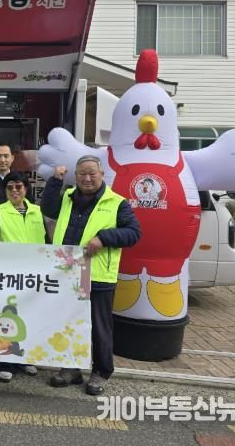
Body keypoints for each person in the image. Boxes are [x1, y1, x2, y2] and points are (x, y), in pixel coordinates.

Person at [41, 155, 141, 396]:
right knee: (68, 324)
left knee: (99, 328)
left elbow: (133, 233)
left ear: (101, 174)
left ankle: (101, 371)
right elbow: (48, 209)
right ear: (75, 176)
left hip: (98, 275)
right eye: (82, 174)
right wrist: (55, 181)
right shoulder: (67, 197)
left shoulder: (116, 203)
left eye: (92, 173)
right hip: (68, 274)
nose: (87, 178)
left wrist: (104, 238)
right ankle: (71, 368)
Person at [0, 171, 45, 382]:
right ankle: (6, 362)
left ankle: (26, 358)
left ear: (26, 188)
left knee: (31, 316)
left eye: (19, 187)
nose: (15, 191)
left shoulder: (37, 211)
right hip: (9, 274)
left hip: (34, 275)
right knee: (8, 318)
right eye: (10, 188)